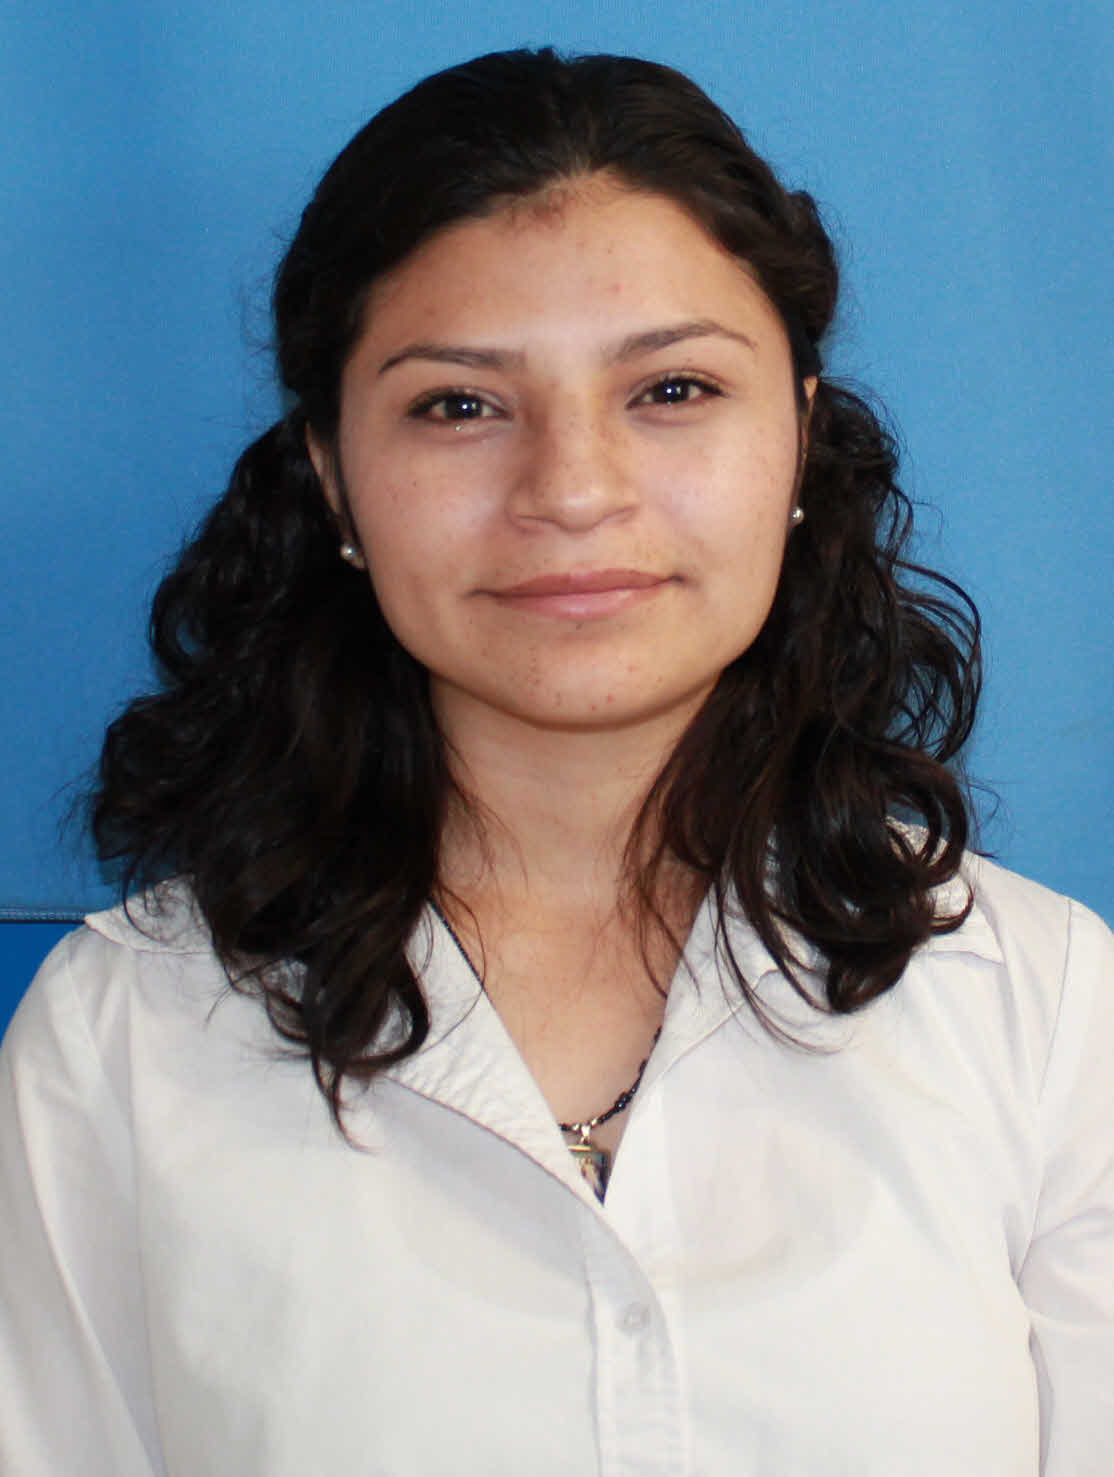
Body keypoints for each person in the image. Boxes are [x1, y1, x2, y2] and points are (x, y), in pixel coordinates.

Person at [1, 47, 1110, 1477]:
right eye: (459, 406)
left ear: (799, 438)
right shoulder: (123, 1043)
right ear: (332, 475)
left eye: (672, 388)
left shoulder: (1041, 1011)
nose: (574, 489)